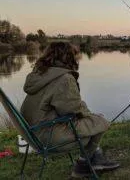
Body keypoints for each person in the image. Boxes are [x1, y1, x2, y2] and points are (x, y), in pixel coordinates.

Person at [20, 42, 120, 178]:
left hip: (33, 134)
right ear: (67, 57)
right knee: (100, 121)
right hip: (49, 137)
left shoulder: (39, 75)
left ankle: (92, 159)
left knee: (92, 121)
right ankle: (84, 164)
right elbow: (72, 111)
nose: (76, 58)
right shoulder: (64, 78)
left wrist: (83, 111)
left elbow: (65, 106)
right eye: (74, 55)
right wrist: (89, 113)